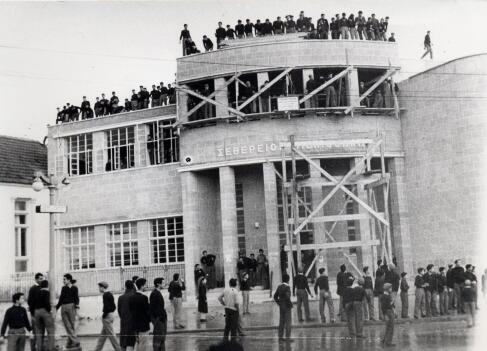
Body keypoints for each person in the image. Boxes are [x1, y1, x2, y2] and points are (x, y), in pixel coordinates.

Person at [94, 282, 121, 351]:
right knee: (102, 336)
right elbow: (114, 306)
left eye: (99, 287)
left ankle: (118, 349)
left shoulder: (105, 295)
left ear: (102, 287)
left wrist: (103, 315)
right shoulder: (110, 294)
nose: (99, 289)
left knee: (112, 335)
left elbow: (106, 307)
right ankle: (97, 349)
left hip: (107, 317)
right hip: (111, 315)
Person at [56, 274, 80, 348]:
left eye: (64, 279)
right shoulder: (63, 288)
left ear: (69, 280)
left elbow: (76, 297)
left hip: (71, 306)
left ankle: (69, 343)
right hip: (63, 307)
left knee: (71, 325)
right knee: (67, 325)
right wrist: (57, 307)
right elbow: (61, 299)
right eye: (63, 279)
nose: (63, 281)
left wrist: (77, 305)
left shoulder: (74, 288)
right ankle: (74, 341)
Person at [130, 278, 151, 351]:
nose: (146, 286)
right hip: (144, 325)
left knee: (138, 343)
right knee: (143, 344)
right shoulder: (144, 297)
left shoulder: (132, 297)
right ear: (141, 286)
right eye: (145, 285)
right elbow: (147, 311)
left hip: (135, 325)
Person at [34, 280, 54, 351]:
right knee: (50, 330)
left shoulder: (37, 292)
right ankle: (50, 348)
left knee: (39, 331)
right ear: (47, 285)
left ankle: (39, 348)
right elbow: (46, 303)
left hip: (36, 311)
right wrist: (50, 310)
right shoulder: (46, 292)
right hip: (44, 311)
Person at [274, 274, 293, 342]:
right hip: (287, 306)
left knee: (281, 322)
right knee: (288, 322)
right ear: (288, 280)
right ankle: (288, 337)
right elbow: (288, 297)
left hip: (281, 306)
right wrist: (290, 304)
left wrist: (279, 303)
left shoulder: (279, 286)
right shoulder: (287, 287)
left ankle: (280, 337)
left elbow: (275, 296)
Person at [117, 280, 136, 351]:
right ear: (133, 286)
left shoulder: (121, 297)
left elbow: (119, 311)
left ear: (125, 287)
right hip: (133, 322)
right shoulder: (134, 296)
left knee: (123, 342)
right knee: (132, 342)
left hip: (124, 322)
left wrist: (123, 317)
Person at [150, 278, 167, 351]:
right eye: (163, 283)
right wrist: (158, 317)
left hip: (161, 318)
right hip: (159, 319)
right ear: (158, 284)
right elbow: (153, 307)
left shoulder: (157, 292)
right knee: (158, 338)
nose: (164, 284)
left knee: (162, 337)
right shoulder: (154, 293)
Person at [27, 273, 43, 351]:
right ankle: (33, 349)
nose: (41, 280)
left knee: (41, 332)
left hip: (41, 314)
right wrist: (33, 313)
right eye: (40, 278)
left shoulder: (42, 288)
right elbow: (30, 301)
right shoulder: (33, 288)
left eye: (42, 278)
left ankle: (40, 348)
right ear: (36, 279)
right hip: (35, 314)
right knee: (35, 332)